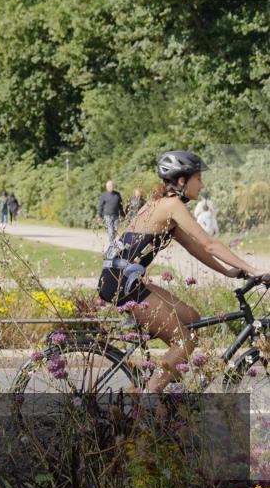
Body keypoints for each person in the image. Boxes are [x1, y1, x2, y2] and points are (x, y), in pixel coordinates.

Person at [97, 151, 268, 393]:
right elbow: (210, 243)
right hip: (122, 284)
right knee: (184, 341)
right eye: (198, 178)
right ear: (181, 181)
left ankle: (162, 382)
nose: (202, 184)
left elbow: (195, 248)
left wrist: (229, 272)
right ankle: (149, 401)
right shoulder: (172, 205)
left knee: (192, 320)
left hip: (123, 279)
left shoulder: (163, 205)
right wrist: (252, 268)